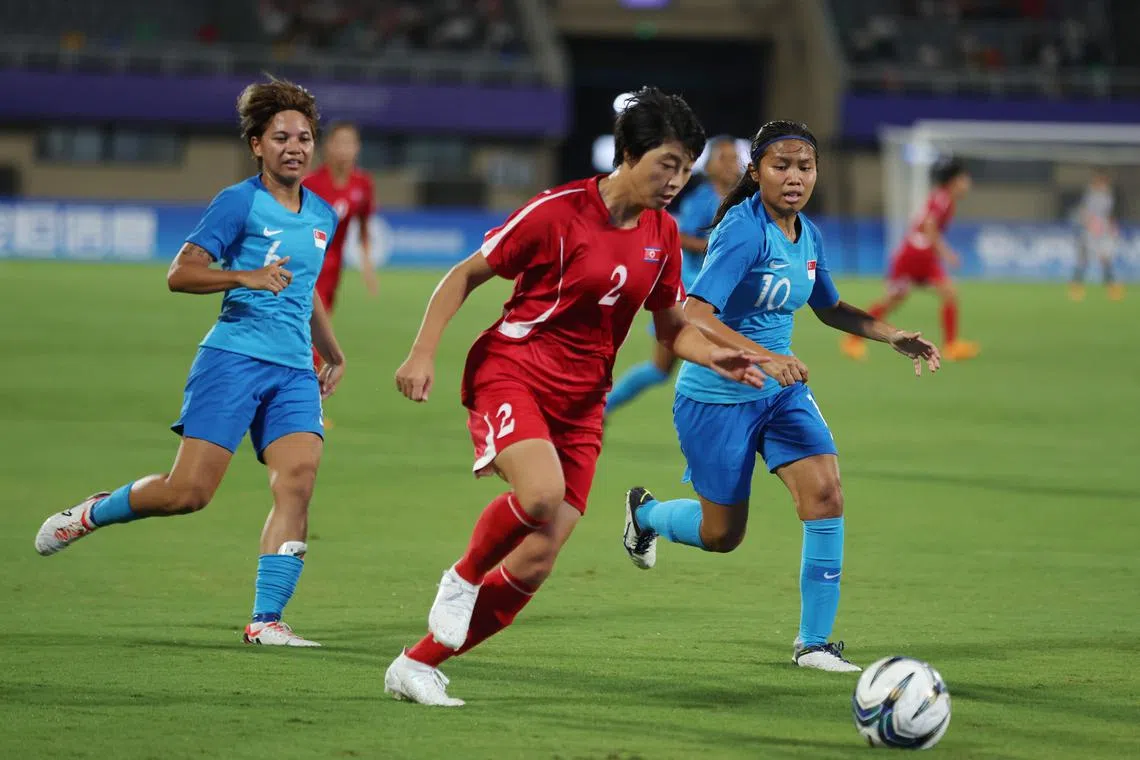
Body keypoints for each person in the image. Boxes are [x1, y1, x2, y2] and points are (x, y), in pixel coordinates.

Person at [383, 87, 771, 707]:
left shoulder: (664, 234)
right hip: (514, 370)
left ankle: (417, 663)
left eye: (684, 168)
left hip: (583, 400)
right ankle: (461, 577)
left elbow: (670, 327)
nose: (675, 181)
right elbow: (466, 274)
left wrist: (717, 353)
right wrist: (423, 351)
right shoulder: (556, 211)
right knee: (539, 495)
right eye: (665, 165)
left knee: (536, 562)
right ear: (626, 154)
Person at [33, 77, 347, 648]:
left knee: (298, 481)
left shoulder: (323, 212)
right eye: (281, 137)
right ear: (257, 145)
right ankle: (95, 512)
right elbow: (180, 273)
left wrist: (331, 347)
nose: (296, 147)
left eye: (304, 136)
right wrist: (242, 276)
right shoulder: (237, 203)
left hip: (293, 370)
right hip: (233, 358)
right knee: (189, 493)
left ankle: (266, 620)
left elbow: (305, 287)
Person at [620, 121, 941, 673]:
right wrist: (764, 356)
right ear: (756, 172)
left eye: (805, 167)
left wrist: (891, 335)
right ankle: (646, 515)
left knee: (826, 494)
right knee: (722, 536)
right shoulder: (744, 232)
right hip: (717, 396)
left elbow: (830, 307)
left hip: (781, 393)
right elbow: (698, 314)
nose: (794, 178)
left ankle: (814, 644)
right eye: (781, 166)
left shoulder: (807, 234)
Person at [604, 135, 743, 419]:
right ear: (710, 167)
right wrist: (713, 248)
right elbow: (678, 236)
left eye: (734, 158)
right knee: (666, 368)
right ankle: (603, 407)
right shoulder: (702, 200)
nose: (730, 165)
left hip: (721, 297)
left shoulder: (744, 202)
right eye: (723, 158)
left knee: (667, 370)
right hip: (691, 292)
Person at [841, 157, 978, 362]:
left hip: (918, 254)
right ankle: (853, 339)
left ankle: (951, 345)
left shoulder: (942, 198)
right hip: (915, 256)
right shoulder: (943, 200)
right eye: (964, 178)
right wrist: (947, 254)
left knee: (940, 293)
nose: (968, 183)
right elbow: (929, 226)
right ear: (954, 181)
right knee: (895, 299)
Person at [1069, 170, 1124, 302]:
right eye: (1101, 183)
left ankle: (1112, 288)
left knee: (1105, 260)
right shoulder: (1090, 197)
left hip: (1102, 233)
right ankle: (1076, 288)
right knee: (1084, 260)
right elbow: (1083, 213)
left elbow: (1107, 215)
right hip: (1090, 233)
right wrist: (1089, 223)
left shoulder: (1108, 198)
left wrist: (1111, 227)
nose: (1104, 186)